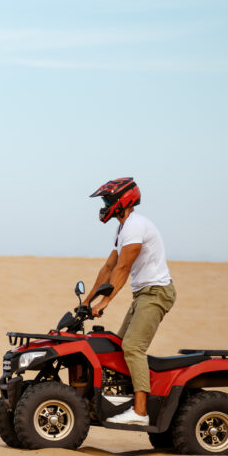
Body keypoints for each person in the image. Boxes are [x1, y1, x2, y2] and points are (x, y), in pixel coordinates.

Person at [84, 177, 175, 425]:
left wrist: (105, 302)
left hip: (156, 292)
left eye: (108, 200)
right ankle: (120, 400)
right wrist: (87, 300)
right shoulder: (122, 228)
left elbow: (123, 268)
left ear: (122, 201)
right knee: (118, 345)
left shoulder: (135, 226)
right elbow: (109, 266)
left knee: (133, 347)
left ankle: (141, 412)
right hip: (142, 294)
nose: (104, 205)